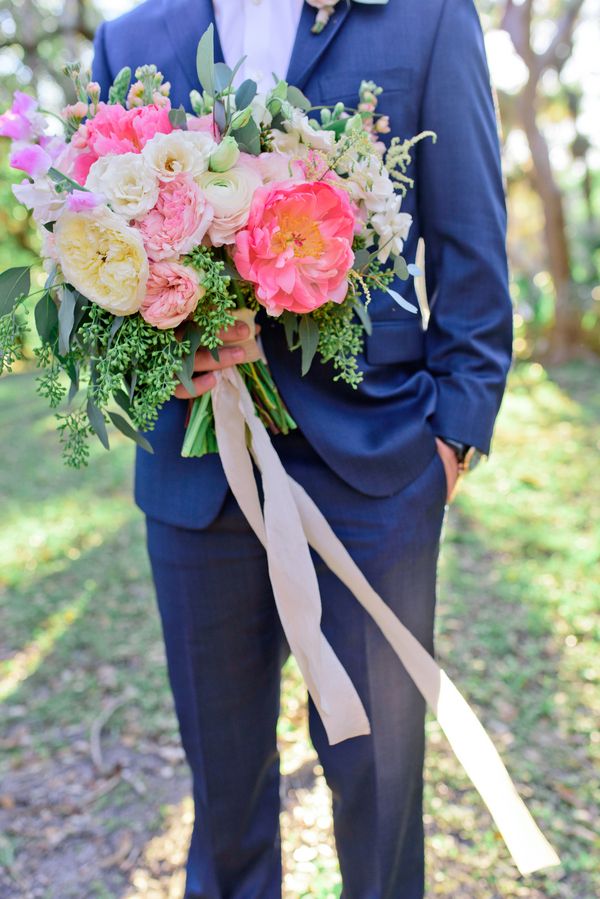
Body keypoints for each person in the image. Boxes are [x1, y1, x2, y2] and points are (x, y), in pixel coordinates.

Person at [91, 1, 513, 896]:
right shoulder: (128, 43)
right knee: (227, 802)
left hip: (379, 475)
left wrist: (451, 446)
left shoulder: (427, 20)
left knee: (380, 795)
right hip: (195, 487)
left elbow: (473, 248)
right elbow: (97, 277)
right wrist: (160, 359)